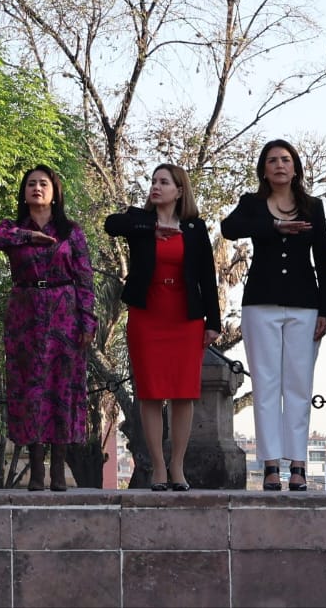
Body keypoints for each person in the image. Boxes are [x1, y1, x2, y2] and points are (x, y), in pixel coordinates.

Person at [219, 139, 326, 491]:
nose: (280, 165)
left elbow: (323, 259)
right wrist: (272, 227)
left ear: (295, 167)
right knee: (266, 384)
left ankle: (298, 465)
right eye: (272, 160)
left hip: (304, 303)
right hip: (261, 303)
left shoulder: (312, 206)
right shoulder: (252, 204)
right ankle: (270, 465)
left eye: (285, 160)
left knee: (298, 385)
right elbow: (229, 228)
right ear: (264, 169)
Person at [0, 165, 96, 492]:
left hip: (65, 313)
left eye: (43, 183)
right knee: (30, 389)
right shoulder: (13, 228)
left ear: (55, 192)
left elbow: (85, 279)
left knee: (62, 387)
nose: (37, 188)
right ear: (24, 192)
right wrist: (27, 236)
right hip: (25, 312)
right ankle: (37, 468)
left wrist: (88, 320)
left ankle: (58, 466)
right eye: (31, 183)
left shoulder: (71, 231)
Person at [107, 164, 219, 492]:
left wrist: (213, 323)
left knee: (184, 393)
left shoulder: (195, 228)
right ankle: (158, 467)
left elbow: (207, 277)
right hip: (147, 314)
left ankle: (178, 467)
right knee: (151, 392)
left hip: (185, 316)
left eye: (164, 182)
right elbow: (112, 224)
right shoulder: (138, 221)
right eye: (154, 181)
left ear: (179, 191)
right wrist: (149, 229)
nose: (156, 186)